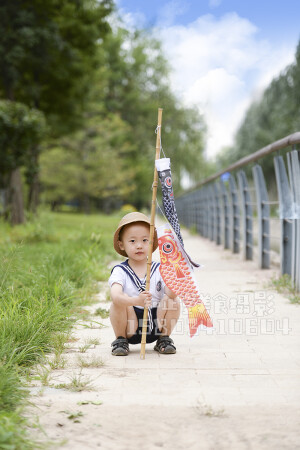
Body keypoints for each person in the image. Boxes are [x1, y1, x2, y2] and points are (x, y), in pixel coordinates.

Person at [109, 212, 180, 356]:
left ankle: (164, 339)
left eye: (145, 240)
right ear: (121, 244)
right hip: (131, 324)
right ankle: (121, 340)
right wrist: (136, 301)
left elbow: (171, 293)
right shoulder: (120, 271)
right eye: (133, 241)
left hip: (156, 322)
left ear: (151, 242)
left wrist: (173, 278)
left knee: (172, 300)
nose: (139, 246)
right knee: (118, 303)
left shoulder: (160, 269)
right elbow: (115, 296)